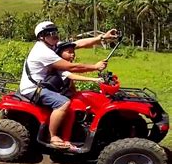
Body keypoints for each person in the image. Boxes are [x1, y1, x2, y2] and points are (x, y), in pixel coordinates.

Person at [19, 21, 117, 150]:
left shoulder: (52, 45)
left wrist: (102, 37)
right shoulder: (42, 51)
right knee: (63, 103)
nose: (56, 36)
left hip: (45, 85)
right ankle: (53, 137)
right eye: (51, 33)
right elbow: (72, 67)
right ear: (42, 36)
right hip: (33, 89)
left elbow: (78, 43)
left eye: (56, 32)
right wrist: (95, 67)